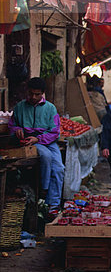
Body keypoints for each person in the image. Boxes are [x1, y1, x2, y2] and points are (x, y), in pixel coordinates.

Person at [9, 77, 65, 210]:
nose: (33, 97)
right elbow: (12, 125)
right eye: (31, 94)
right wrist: (17, 130)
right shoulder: (20, 107)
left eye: (37, 94)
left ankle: (53, 204)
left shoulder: (50, 108)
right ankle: (44, 190)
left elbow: (54, 132)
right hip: (29, 141)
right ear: (27, 92)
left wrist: (39, 139)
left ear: (43, 93)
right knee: (46, 156)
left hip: (48, 141)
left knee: (59, 168)